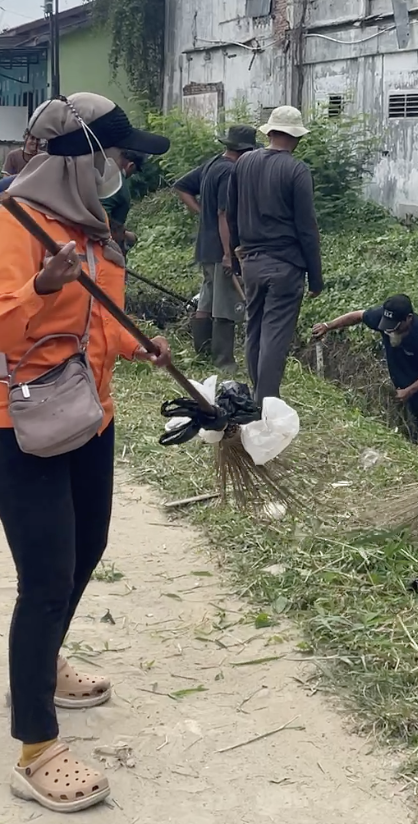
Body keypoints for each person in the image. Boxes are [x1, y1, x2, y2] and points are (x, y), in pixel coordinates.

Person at [0, 92, 172, 812]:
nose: (127, 168)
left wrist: (140, 346)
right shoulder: (13, 227)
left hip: (87, 416)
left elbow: (97, 320)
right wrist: (40, 287)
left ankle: (39, 667)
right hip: (21, 424)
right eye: (121, 156)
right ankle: (34, 745)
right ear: (82, 161)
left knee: (90, 545)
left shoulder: (88, 225)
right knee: (46, 578)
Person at [227, 106, 322, 404]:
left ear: (269, 132)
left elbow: (231, 213)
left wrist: (234, 255)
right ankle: (265, 402)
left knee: (254, 328)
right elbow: (307, 228)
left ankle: (257, 393)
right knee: (275, 335)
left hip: (251, 261)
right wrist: (316, 277)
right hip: (285, 265)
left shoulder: (243, 164)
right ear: (295, 138)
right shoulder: (296, 170)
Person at [174, 125, 257, 372]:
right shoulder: (230, 172)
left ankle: (202, 356)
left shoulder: (212, 164)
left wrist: (201, 214)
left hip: (205, 247)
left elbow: (181, 186)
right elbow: (223, 215)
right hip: (220, 249)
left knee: (207, 300)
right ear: (245, 151)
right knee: (225, 305)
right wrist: (228, 254)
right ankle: (223, 362)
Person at [312, 295, 418, 443]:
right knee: (414, 426)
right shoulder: (383, 319)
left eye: (394, 327)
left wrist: (408, 391)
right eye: (387, 326)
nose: (389, 331)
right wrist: (328, 326)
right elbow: (358, 315)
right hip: (406, 384)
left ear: (408, 318)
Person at [101, 148, 145, 255]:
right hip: (106, 243)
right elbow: (102, 213)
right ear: (131, 165)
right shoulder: (119, 184)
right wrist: (119, 232)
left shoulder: (102, 173)